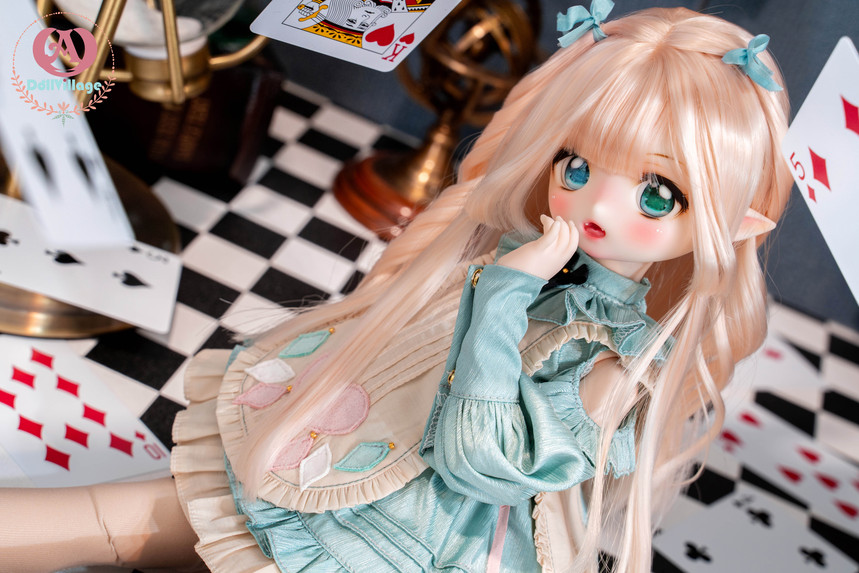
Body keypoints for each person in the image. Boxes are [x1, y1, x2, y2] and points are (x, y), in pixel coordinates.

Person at [0, 4, 791, 573]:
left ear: (738, 223)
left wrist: (502, 295)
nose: (595, 206)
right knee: (124, 520)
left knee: (129, 523)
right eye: (576, 165)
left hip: (405, 542)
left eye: (657, 193)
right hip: (333, 466)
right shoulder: (530, 256)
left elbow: (480, 459)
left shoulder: (619, 360)